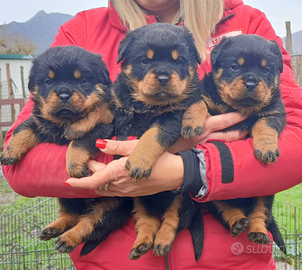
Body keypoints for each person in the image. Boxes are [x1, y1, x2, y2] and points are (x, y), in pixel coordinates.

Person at [3, 0, 302, 269]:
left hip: (233, 259)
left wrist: (193, 169)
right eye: (145, 62)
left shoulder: (247, 21)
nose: (161, 74)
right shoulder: (81, 29)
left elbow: (295, 140)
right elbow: (19, 166)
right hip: (112, 261)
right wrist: (109, 167)